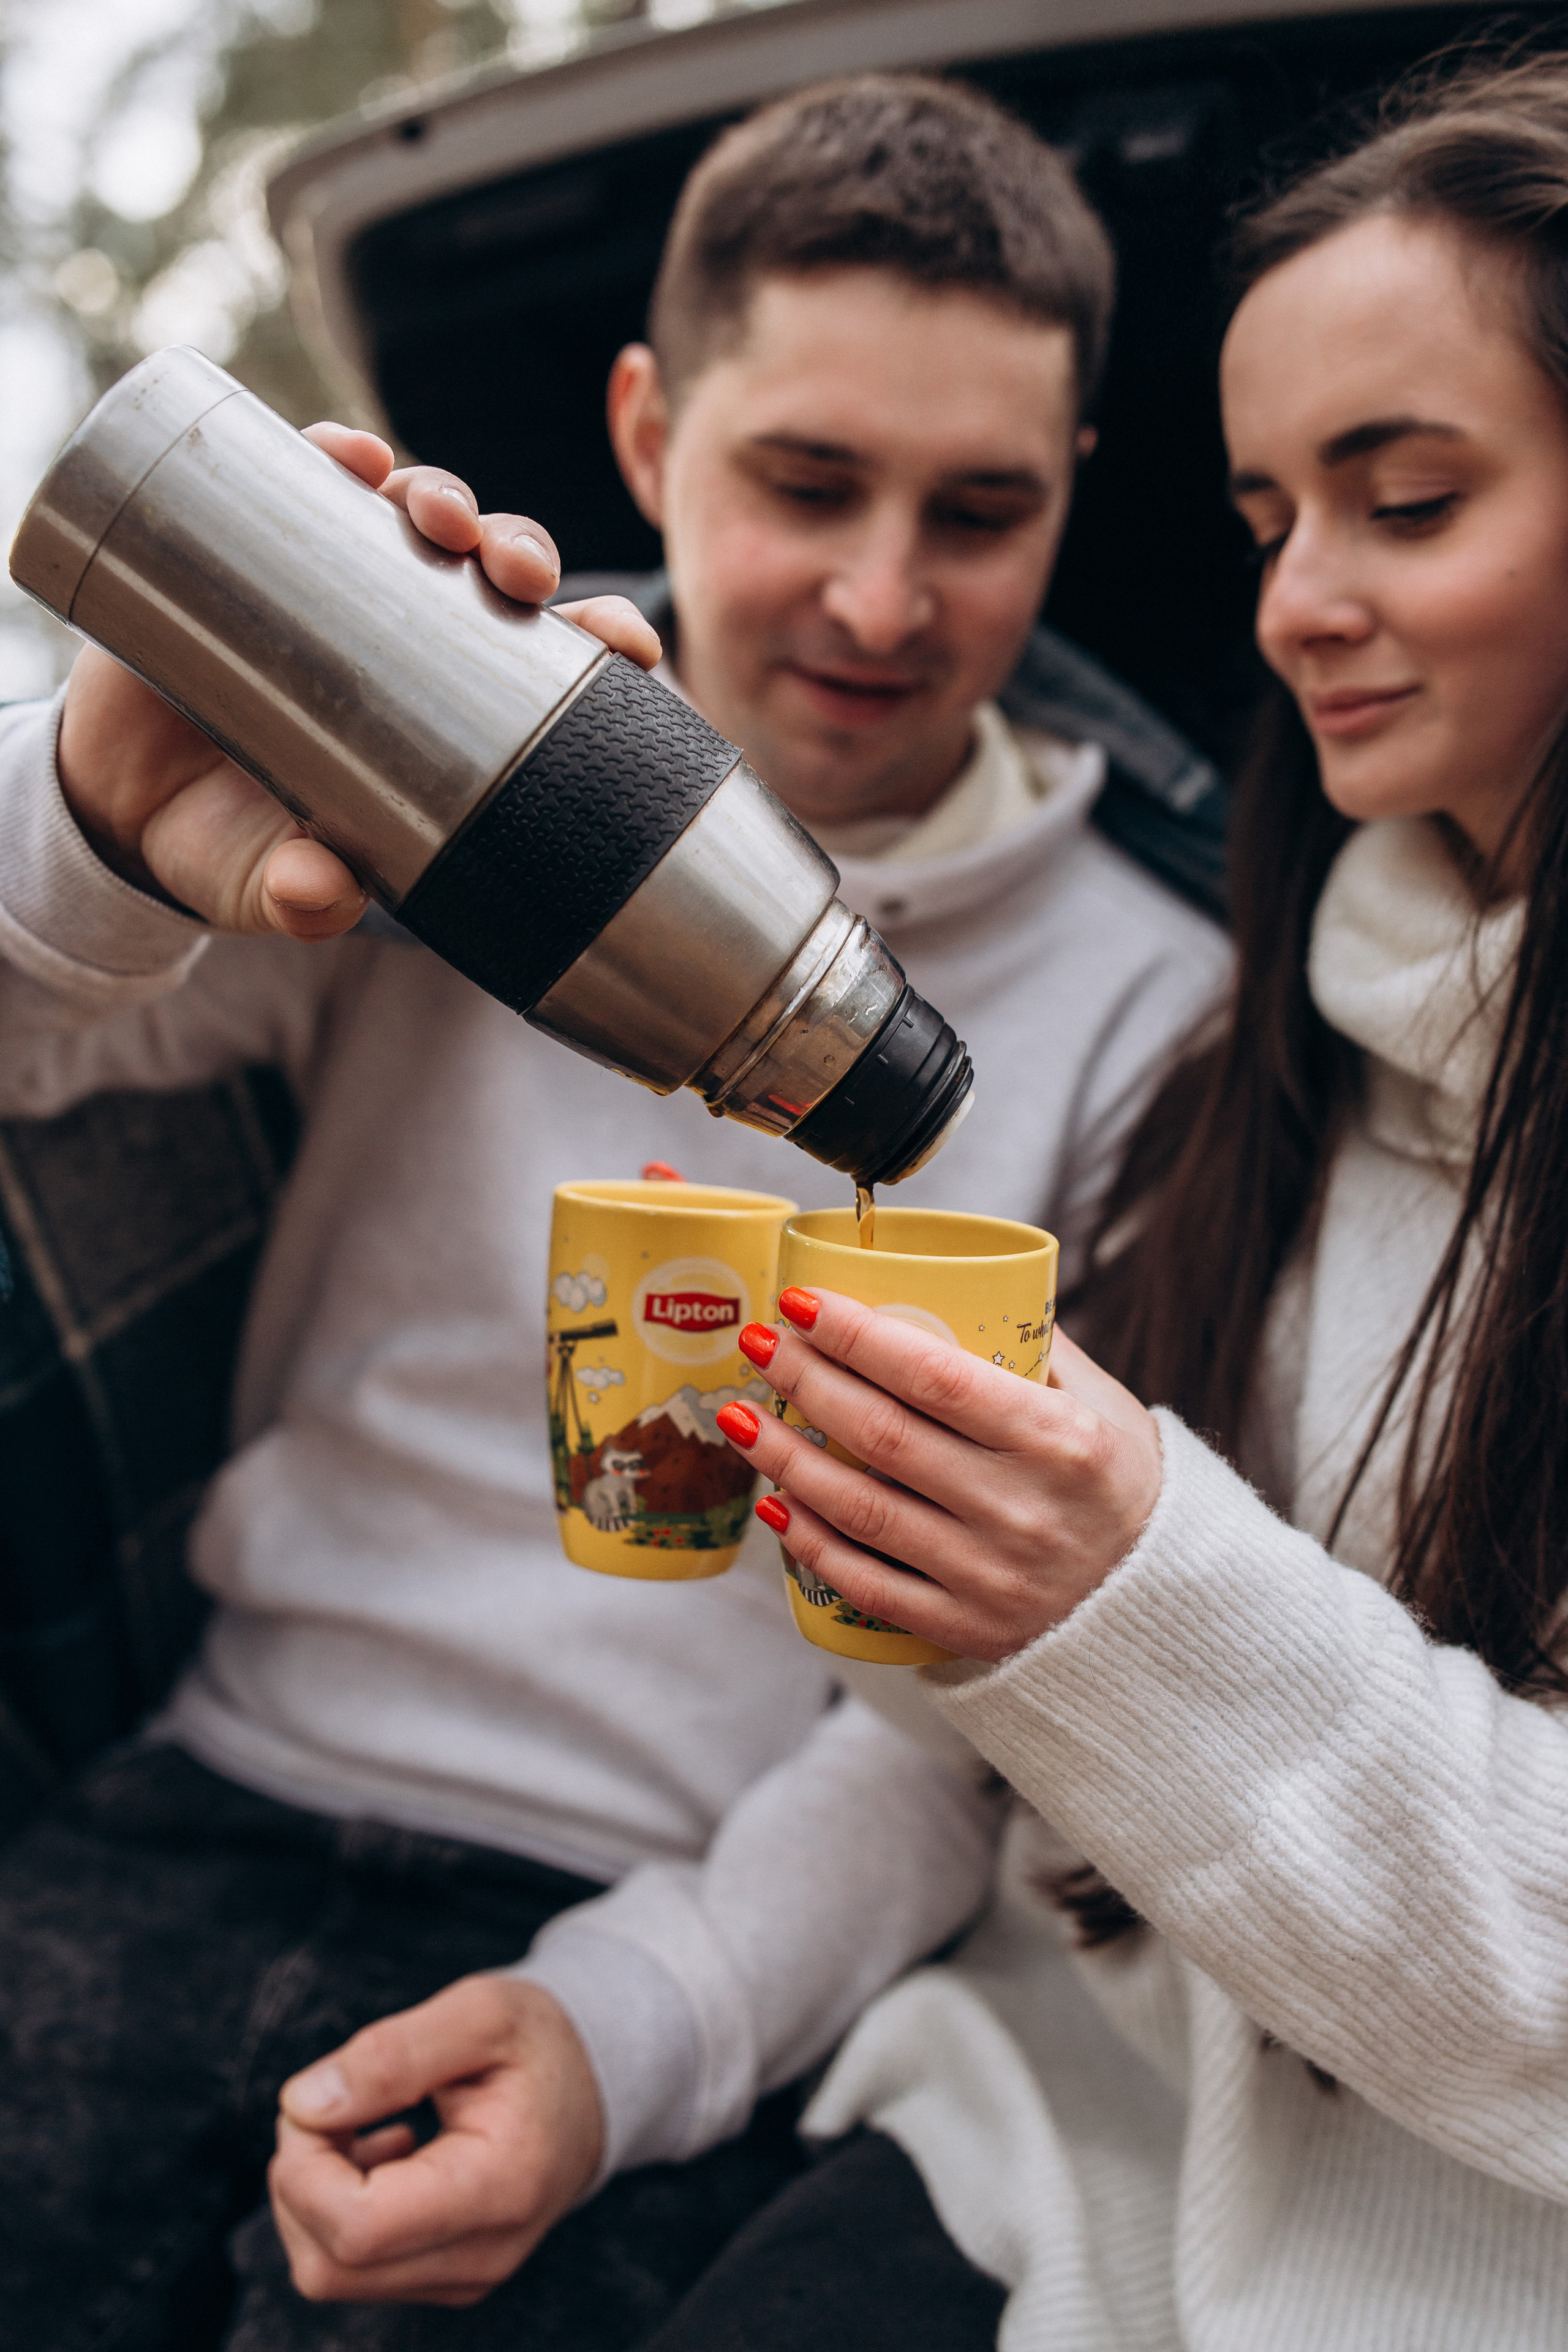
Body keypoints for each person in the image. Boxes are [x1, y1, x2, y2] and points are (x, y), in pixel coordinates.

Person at [0, 75, 1229, 2350]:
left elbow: (984, 1723)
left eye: (977, 509)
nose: (883, 593)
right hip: (193, 1805)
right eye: (805, 481)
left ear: (1072, 496)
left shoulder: (1173, 1010)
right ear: (651, 433)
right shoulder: (433, 742)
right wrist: (86, 813)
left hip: (666, 1932)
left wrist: (636, 2029)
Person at [666, 52, 1568, 2352]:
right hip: (1025, 2123)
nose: (1294, 609)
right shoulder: (1273, 1050)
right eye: (1270, 519)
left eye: (1408, 501)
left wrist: (1135, 1587)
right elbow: (984, 1776)